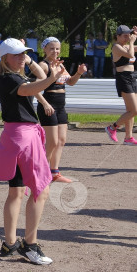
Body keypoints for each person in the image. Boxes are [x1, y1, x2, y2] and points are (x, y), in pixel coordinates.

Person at [0, 38, 62, 265]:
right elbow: (32, 87)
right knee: (41, 190)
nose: (22, 57)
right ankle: (30, 244)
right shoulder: (10, 78)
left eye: (24, 54)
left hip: (16, 136)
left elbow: (38, 76)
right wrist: (52, 78)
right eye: (17, 54)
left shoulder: (11, 75)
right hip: (24, 137)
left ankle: (10, 243)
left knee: (17, 192)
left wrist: (28, 60)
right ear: (5, 58)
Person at [37, 37, 87, 181]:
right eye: (51, 48)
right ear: (44, 49)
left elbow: (70, 82)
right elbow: (35, 89)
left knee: (61, 140)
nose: (55, 51)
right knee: (52, 141)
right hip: (48, 106)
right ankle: (40, 172)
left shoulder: (59, 65)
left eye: (57, 48)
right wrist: (45, 104)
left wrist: (79, 73)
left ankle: (54, 173)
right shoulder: (43, 65)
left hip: (60, 107)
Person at [105, 25, 137, 143]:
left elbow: (133, 49)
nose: (127, 38)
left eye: (129, 35)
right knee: (134, 110)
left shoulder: (127, 46)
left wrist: (136, 35)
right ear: (118, 36)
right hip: (123, 78)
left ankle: (128, 137)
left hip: (132, 77)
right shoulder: (116, 47)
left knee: (130, 111)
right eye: (125, 36)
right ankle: (112, 127)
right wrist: (132, 42)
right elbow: (131, 55)